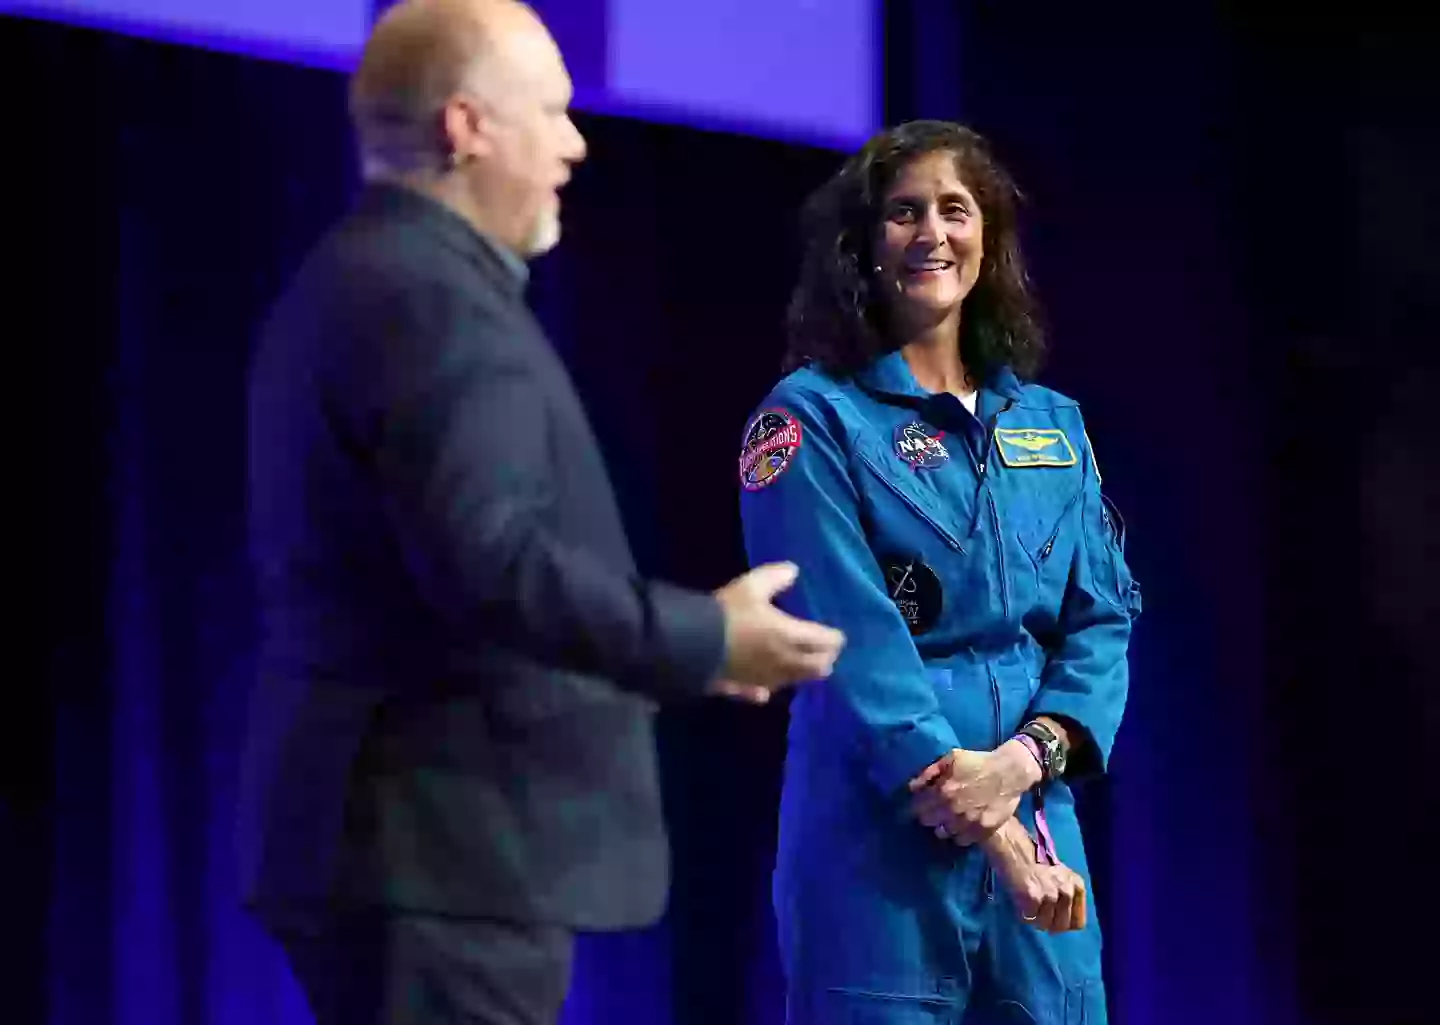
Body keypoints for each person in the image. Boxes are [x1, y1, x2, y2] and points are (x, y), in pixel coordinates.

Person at [237, 2, 845, 1023]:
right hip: (440, 855)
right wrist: (707, 635)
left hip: (411, 851)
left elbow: (442, 577)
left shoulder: (368, 276)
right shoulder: (426, 297)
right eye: (552, 113)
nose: (575, 143)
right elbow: (494, 567)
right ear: (467, 127)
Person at [738, 120, 1142, 1023]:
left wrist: (1025, 760)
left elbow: (1102, 619)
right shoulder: (809, 421)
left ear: (988, 236)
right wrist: (988, 819)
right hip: (876, 853)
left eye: (956, 210)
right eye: (903, 214)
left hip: (1037, 821)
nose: (933, 235)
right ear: (863, 247)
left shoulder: (1049, 422)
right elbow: (850, 644)